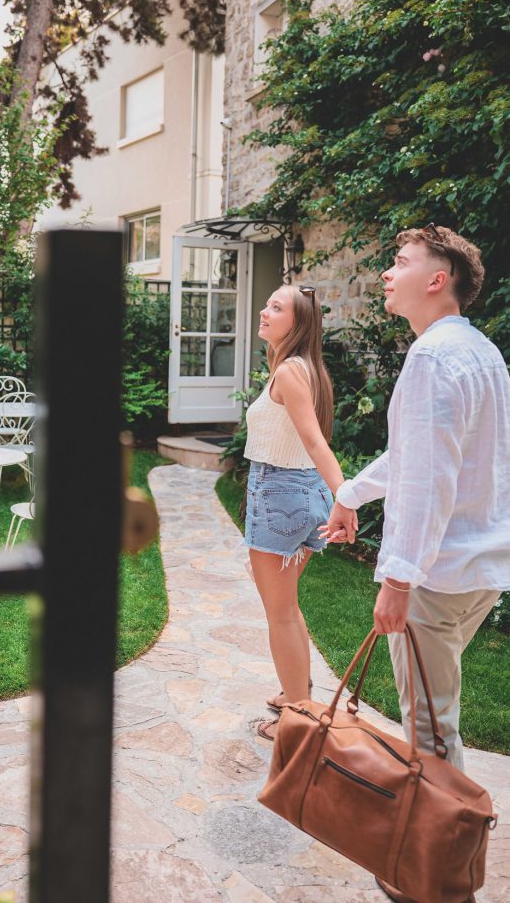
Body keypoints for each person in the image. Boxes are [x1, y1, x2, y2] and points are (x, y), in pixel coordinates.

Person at [322, 224, 510, 903]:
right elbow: (418, 459)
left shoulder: (434, 358)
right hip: (478, 571)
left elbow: (429, 482)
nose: (384, 273)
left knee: (429, 732)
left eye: (399, 263)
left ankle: (433, 875)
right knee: (436, 720)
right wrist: (348, 493)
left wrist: (397, 578)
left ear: (437, 279)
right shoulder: (479, 352)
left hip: (435, 576)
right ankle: (436, 861)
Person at [243, 283, 350, 741]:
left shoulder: (290, 371)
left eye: (277, 307)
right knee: (288, 607)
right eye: (267, 304)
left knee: (280, 614)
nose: (264, 312)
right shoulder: (304, 368)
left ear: (298, 322)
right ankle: (296, 694)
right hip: (297, 492)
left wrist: (346, 496)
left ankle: (299, 720)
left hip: (279, 493)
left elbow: (313, 440)